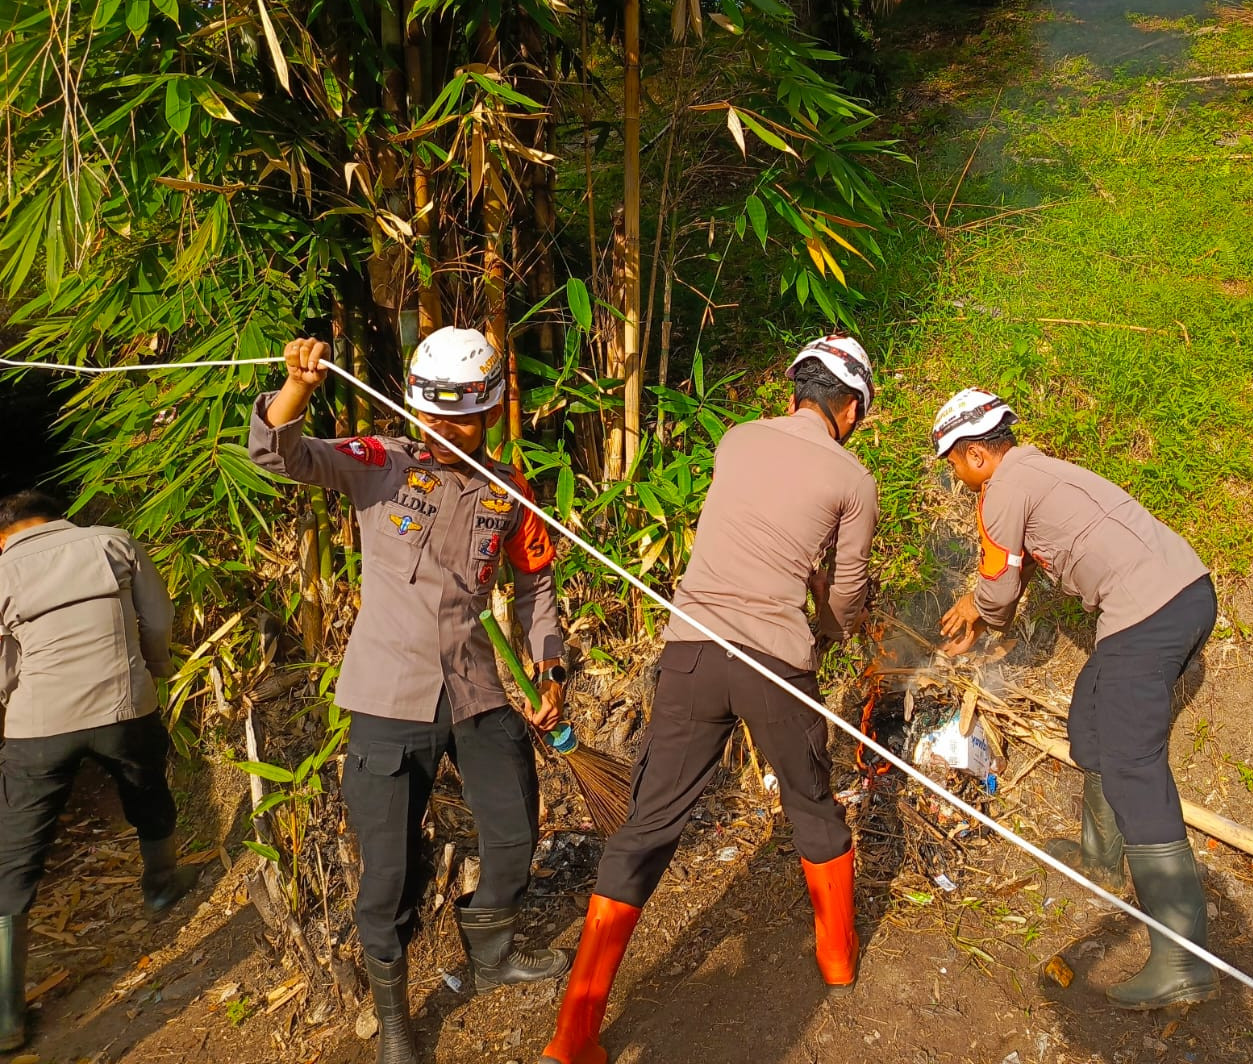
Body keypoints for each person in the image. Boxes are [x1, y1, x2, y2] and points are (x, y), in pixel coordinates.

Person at [540, 335, 879, 1064]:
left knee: (647, 826)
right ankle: (837, 959)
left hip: (691, 652)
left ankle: (573, 1035)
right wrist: (830, 624)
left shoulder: (737, 439)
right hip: (773, 661)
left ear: (794, 392)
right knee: (811, 803)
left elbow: (747, 531)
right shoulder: (854, 478)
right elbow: (847, 594)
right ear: (850, 408)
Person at [250, 329, 571, 1064]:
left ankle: (491, 955)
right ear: (416, 407)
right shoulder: (380, 464)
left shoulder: (510, 490)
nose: (448, 430)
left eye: (465, 418)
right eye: (435, 415)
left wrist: (550, 668)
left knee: (515, 832)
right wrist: (297, 386)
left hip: (478, 688)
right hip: (388, 694)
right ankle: (395, 1023)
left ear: (490, 411)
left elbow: (535, 582)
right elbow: (279, 455)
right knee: (388, 872)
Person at [933, 389, 1220, 1010]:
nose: (956, 478)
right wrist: (982, 605)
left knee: (1134, 768)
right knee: (1090, 717)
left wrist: (981, 615)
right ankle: (1100, 858)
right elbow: (1016, 568)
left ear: (976, 454)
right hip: (1186, 594)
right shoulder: (1039, 470)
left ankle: (1183, 959)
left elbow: (999, 590)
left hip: (1147, 613)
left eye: (954, 464)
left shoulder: (1000, 493)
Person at [0, 489, 197, 1050]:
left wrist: (11, 701)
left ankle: (6, 1016)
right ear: (56, 516)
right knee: (147, 789)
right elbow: (157, 616)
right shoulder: (112, 543)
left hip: (38, 725)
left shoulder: (3, 570)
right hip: (124, 707)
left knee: (15, 852)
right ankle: (160, 887)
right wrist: (155, 667)